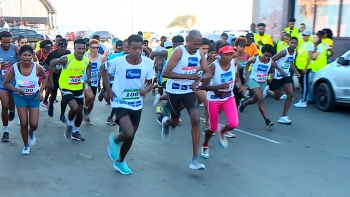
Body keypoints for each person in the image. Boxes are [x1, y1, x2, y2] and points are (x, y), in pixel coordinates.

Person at [161, 30, 213, 170]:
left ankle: (195, 159)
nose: (197, 46)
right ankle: (167, 122)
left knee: (195, 119)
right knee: (175, 120)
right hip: (174, 91)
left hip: (189, 91)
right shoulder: (179, 52)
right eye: (195, 44)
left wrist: (199, 80)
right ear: (187, 41)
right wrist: (189, 77)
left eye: (199, 44)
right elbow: (166, 73)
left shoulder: (199, 54)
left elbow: (208, 72)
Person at [103, 35, 154, 175]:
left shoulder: (148, 62)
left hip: (137, 104)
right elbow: (103, 68)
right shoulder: (118, 62)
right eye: (134, 48)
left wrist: (146, 90)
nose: (137, 51)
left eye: (140, 48)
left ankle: (120, 161)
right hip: (120, 102)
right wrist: (108, 90)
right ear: (128, 48)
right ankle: (114, 138)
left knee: (130, 136)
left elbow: (151, 83)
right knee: (128, 132)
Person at [200, 43, 245, 159]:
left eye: (231, 54)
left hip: (228, 97)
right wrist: (217, 88)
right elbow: (203, 86)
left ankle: (222, 131)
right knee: (212, 127)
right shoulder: (213, 67)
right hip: (214, 99)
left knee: (233, 123)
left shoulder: (234, 62)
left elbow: (237, 74)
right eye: (227, 54)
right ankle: (205, 145)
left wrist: (240, 83)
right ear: (220, 54)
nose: (229, 56)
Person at [3, 45, 47, 155]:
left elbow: (45, 78)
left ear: (32, 56)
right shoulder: (15, 67)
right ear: (20, 56)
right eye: (24, 55)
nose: (27, 58)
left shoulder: (37, 67)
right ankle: (26, 145)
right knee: (23, 122)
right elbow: (6, 83)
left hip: (34, 97)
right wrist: (16, 90)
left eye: (29, 55)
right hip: (20, 98)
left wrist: (41, 92)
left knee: (34, 124)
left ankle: (31, 132)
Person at [48, 39, 92, 141]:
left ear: (86, 49)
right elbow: (52, 62)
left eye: (83, 49)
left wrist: (89, 78)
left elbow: (88, 68)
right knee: (75, 108)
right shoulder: (66, 59)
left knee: (79, 112)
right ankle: (70, 124)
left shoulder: (86, 61)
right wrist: (50, 79)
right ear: (75, 48)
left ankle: (75, 131)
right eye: (79, 48)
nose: (81, 51)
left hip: (78, 87)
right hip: (65, 87)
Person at [239, 44, 276, 128]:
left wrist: (271, 77)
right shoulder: (254, 59)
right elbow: (247, 64)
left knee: (255, 99)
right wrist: (246, 75)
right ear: (261, 53)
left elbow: (272, 71)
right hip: (253, 80)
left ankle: (244, 104)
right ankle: (267, 120)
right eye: (265, 55)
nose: (267, 57)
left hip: (263, 82)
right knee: (261, 98)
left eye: (269, 56)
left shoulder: (272, 62)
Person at [267, 37, 300, 124]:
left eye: (295, 43)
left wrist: (296, 72)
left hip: (286, 75)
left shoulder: (295, 53)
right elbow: (271, 60)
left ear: (297, 44)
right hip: (277, 75)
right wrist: (279, 70)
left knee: (290, 94)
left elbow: (291, 63)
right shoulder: (283, 52)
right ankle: (268, 91)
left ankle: (284, 116)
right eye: (292, 42)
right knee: (277, 97)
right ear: (289, 43)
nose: (293, 44)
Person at [45, 38, 71, 122]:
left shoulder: (68, 53)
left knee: (64, 97)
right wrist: (51, 70)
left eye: (65, 46)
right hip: (54, 77)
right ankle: (51, 104)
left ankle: (62, 114)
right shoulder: (52, 54)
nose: (63, 48)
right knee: (53, 95)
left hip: (64, 78)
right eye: (61, 46)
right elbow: (46, 64)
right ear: (58, 46)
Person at [0, 31, 18, 142]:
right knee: (5, 105)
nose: (7, 44)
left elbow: (25, 61)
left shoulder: (15, 49)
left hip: (14, 83)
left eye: (8, 42)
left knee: (11, 105)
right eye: (4, 42)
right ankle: (5, 131)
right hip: (1, 82)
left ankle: (12, 110)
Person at [83, 39, 106, 125]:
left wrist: (101, 84)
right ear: (89, 48)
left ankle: (86, 115)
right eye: (93, 48)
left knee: (92, 100)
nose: (95, 49)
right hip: (85, 81)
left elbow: (102, 71)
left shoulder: (101, 57)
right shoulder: (85, 56)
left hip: (95, 81)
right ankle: (84, 107)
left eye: (97, 47)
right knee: (89, 96)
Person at [293, 30, 315, 108]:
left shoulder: (310, 44)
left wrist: (306, 67)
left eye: (305, 35)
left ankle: (303, 101)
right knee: (302, 84)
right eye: (303, 35)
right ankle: (302, 99)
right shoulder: (302, 44)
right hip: (300, 67)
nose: (304, 36)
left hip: (305, 68)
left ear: (309, 36)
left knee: (305, 85)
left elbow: (310, 56)